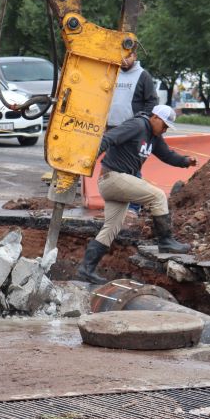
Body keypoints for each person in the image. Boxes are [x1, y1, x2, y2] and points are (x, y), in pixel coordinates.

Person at [76, 104, 197, 284]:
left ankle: (86, 269)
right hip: (113, 178)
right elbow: (109, 138)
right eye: (164, 125)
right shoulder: (137, 125)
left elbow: (167, 155)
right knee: (157, 196)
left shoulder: (154, 137)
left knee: (112, 227)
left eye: (167, 128)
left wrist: (185, 161)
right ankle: (165, 241)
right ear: (155, 117)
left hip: (120, 184)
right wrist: (88, 160)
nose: (164, 130)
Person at [106, 47, 160, 219]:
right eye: (120, 56)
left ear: (135, 56)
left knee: (132, 167)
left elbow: (152, 101)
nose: (123, 59)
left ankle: (134, 207)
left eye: (127, 56)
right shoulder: (113, 72)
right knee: (115, 167)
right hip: (113, 127)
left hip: (132, 131)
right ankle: (117, 209)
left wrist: (142, 121)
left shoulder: (143, 76)